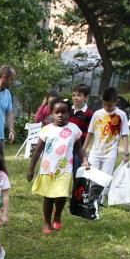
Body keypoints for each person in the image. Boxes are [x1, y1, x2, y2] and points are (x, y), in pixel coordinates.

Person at [27, 97, 84, 234]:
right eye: (57, 112)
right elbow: (38, 150)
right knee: (48, 197)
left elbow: (78, 149)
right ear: (52, 113)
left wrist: (85, 160)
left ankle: (57, 215)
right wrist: (31, 168)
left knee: (61, 196)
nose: (60, 115)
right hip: (47, 169)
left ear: (68, 113)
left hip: (65, 169)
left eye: (63, 112)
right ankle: (47, 222)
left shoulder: (74, 129)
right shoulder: (46, 130)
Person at [83, 86, 130, 177]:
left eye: (109, 105)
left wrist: (126, 153)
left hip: (110, 154)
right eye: (104, 104)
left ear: (116, 102)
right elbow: (90, 132)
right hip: (95, 152)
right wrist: (83, 150)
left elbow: (125, 135)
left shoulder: (121, 115)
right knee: (91, 176)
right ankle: (91, 192)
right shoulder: (97, 114)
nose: (106, 107)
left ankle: (104, 192)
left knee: (105, 178)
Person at [67, 84, 94, 225]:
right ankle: (63, 192)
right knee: (65, 171)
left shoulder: (89, 113)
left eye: (79, 95)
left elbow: (89, 132)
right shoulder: (68, 110)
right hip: (65, 149)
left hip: (78, 148)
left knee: (77, 172)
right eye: (74, 95)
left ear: (86, 97)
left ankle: (75, 196)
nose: (76, 98)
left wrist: (78, 136)